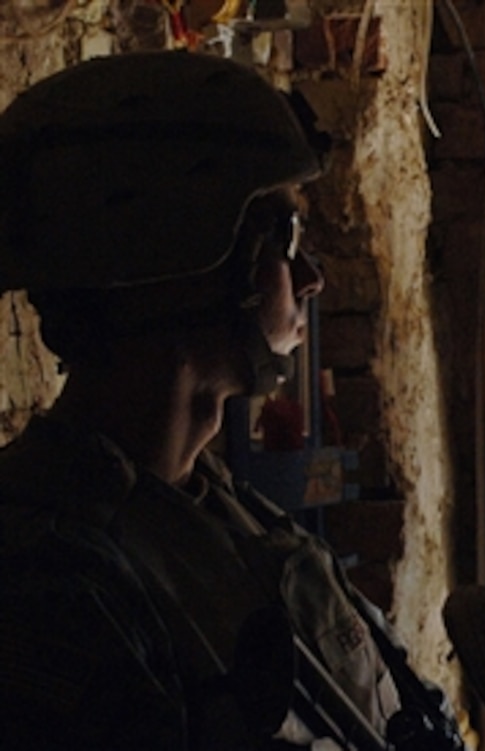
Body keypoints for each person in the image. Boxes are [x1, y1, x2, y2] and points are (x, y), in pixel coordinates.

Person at [0, 51, 458, 750]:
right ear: (181, 259)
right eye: (285, 238)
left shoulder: (216, 510)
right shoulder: (50, 578)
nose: (309, 277)